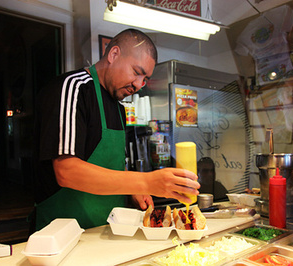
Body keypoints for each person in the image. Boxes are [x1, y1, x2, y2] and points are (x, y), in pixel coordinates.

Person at [33, 29, 200, 231]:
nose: (139, 85)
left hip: (109, 230)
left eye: (145, 79)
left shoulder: (119, 108)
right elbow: (67, 172)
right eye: (137, 72)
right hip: (63, 236)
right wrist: (145, 182)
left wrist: (133, 191)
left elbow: (112, 168)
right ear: (113, 54)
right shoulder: (74, 88)